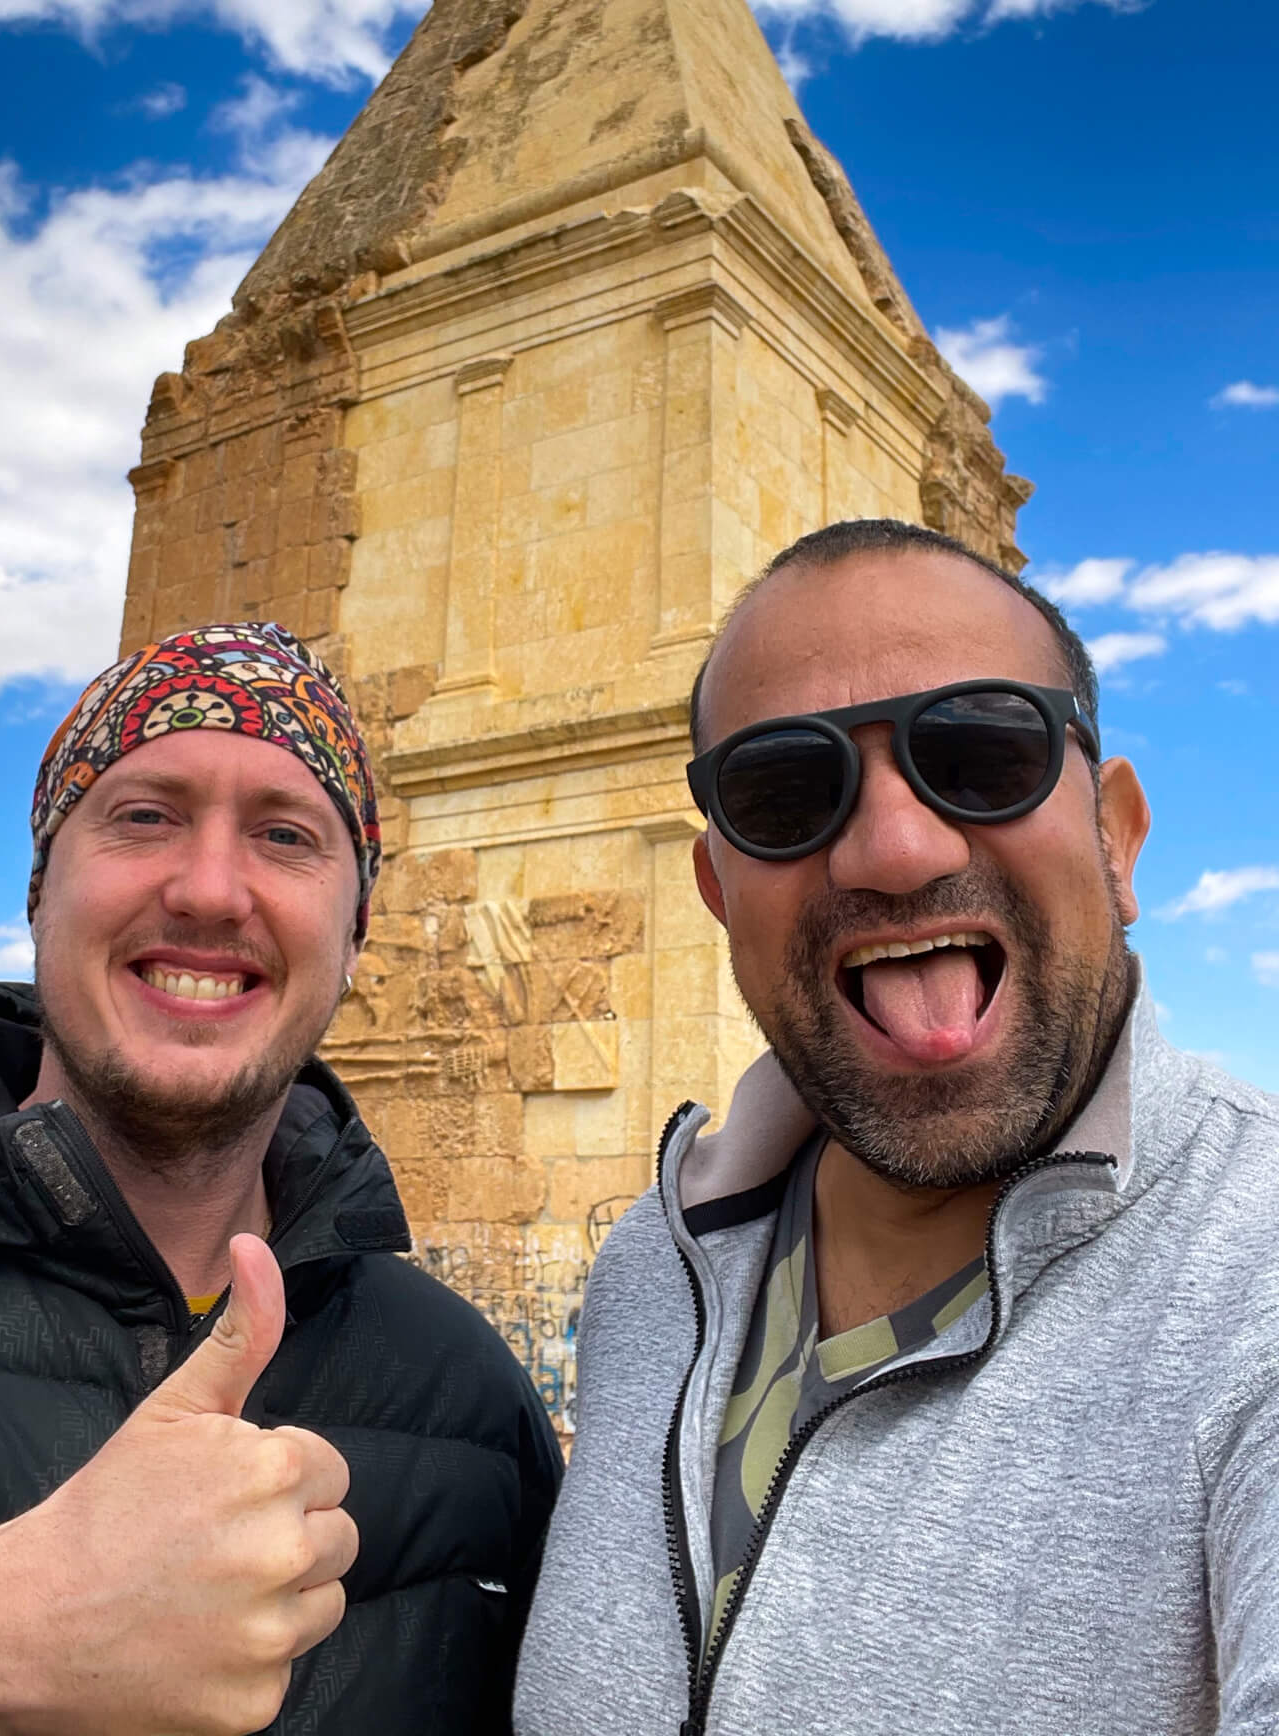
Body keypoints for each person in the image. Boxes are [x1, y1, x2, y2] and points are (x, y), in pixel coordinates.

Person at [515, 518, 1279, 1736]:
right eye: (784, 792)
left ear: (1118, 837)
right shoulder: (649, 1276)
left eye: (981, 754)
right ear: (720, 893)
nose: (895, 848)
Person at [0, 622, 561, 1735]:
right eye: (145, 815)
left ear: (354, 935)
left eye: (285, 835)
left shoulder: (465, 1396)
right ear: (40, 888)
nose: (212, 888)